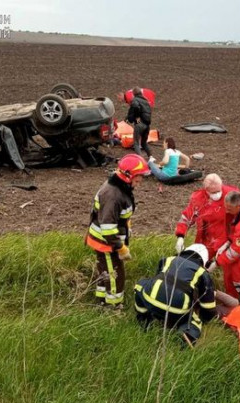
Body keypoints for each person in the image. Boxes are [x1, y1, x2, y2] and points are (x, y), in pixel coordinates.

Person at [85, 154, 150, 307]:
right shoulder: (113, 195)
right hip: (106, 242)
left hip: (107, 240)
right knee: (115, 274)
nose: (140, 181)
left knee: (105, 270)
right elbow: (108, 228)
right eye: (138, 177)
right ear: (128, 175)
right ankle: (113, 306)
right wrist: (120, 248)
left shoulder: (120, 186)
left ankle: (102, 299)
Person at [134, 243, 217, 346]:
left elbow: (158, 276)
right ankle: (187, 334)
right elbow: (208, 306)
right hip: (177, 309)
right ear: (203, 261)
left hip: (151, 298)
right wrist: (209, 317)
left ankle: (144, 319)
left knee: (139, 286)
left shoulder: (169, 259)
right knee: (195, 319)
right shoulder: (202, 273)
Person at [175, 174, 239, 296]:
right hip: (206, 238)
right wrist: (180, 236)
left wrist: (228, 242)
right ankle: (198, 293)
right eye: (213, 192)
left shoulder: (232, 194)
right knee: (198, 268)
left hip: (227, 236)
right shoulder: (198, 198)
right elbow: (186, 217)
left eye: (219, 191)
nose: (217, 194)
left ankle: (232, 298)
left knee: (230, 270)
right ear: (206, 190)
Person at [125, 87, 153, 159]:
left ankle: (141, 160)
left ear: (134, 94)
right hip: (147, 125)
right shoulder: (146, 101)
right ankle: (151, 157)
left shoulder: (135, 100)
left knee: (136, 143)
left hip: (140, 124)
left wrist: (133, 118)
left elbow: (135, 108)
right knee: (144, 143)